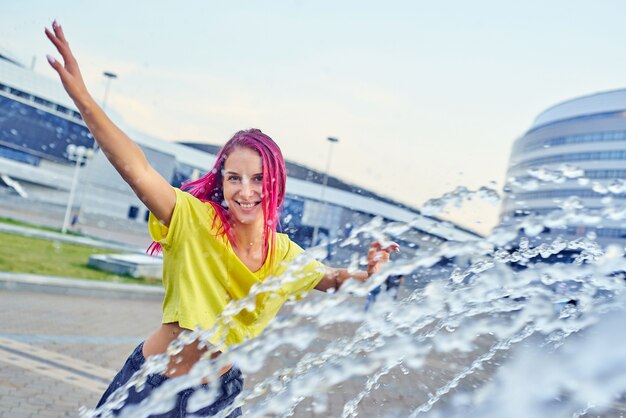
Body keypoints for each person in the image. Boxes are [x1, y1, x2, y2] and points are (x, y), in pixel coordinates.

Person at [45, 21, 399, 417]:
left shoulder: (281, 255)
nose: (245, 191)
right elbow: (138, 169)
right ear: (223, 181)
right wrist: (83, 97)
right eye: (235, 178)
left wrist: (367, 275)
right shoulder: (193, 220)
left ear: (275, 184)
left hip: (215, 397)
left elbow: (329, 279)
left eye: (258, 179)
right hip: (151, 387)